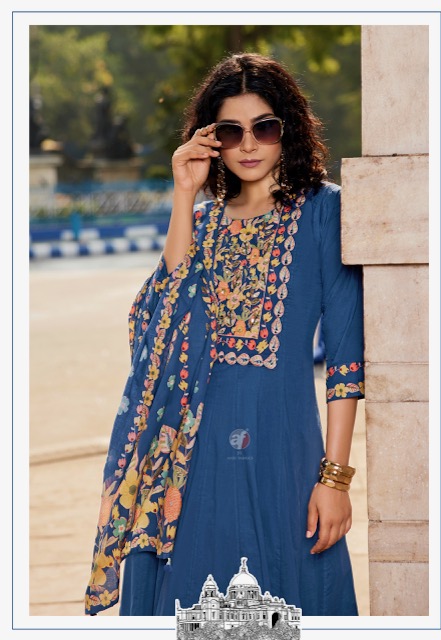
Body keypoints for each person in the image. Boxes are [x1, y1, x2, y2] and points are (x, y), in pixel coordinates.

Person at [85, 52, 365, 618]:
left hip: (283, 451)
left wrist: (335, 479)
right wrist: (184, 193)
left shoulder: (324, 211)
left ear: (288, 128)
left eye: (265, 127)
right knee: (195, 607)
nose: (249, 144)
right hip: (189, 458)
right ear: (211, 139)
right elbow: (164, 320)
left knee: (287, 601)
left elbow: (344, 360)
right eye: (231, 132)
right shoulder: (203, 220)